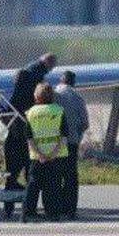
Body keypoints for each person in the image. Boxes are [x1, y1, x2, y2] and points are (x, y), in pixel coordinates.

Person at [4, 53, 57, 216]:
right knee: (32, 176)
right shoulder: (36, 76)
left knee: (12, 175)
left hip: (14, 133)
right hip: (25, 136)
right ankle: (30, 208)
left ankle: (10, 206)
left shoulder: (25, 74)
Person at [22, 82, 70, 222]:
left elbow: (29, 138)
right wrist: (53, 154)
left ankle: (29, 212)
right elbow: (64, 136)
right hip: (56, 156)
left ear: (37, 96)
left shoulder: (30, 113)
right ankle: (52, 212)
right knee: (53, 186)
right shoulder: (59, 111)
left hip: (37, 157)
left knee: (33, 185)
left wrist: (40, 154)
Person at [53, 70, 89, 220]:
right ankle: (70, 208)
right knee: (71, 177)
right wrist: (77, 135)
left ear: (61, 81)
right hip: (71, 143)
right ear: (73, 83)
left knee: (55, 175)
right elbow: (85, 123)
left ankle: (55, 207)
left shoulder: (53, 95)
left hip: (54, 143)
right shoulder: (78, 98)